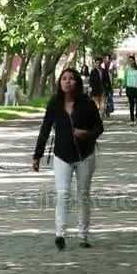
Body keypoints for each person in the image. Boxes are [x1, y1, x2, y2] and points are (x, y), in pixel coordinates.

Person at [32, 68, 104, 251]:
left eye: (71, 79)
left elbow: (99, 128)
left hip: (84, 155)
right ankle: (60, 234)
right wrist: (37, 155)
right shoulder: (54, 103)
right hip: (62, 155)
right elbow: (45, 129)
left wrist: (86, 134)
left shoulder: (87, 103)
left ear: (77, 83)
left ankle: (83, 235)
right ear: (59, 83)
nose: (67, 82)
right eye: (64, 79)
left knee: (83, 195)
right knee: (63, 194)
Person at [124, 55, 137, 125]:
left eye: (132, 60)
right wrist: (124, 86)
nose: (130, 62)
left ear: (134, 61)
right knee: (131, 104)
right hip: (130, 88)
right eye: (129, 61)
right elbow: (125, 78)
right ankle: (132, 118)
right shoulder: (127, 69)